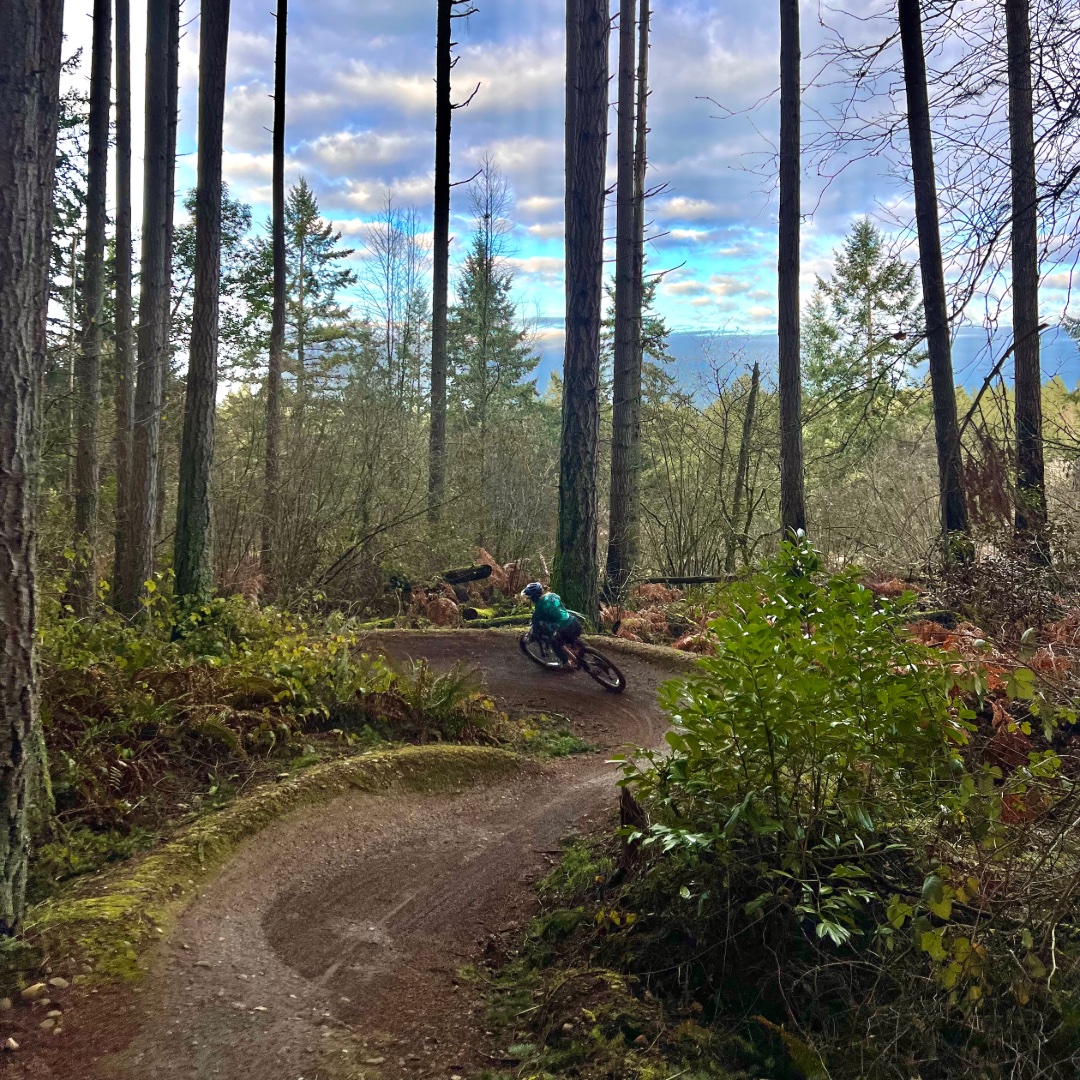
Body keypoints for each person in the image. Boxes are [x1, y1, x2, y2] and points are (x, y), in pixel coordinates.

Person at [522, 582, 582, 664]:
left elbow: (535, 631)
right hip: (575, 622)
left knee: (554, 643)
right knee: (569, 638)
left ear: (533, 598)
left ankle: (567, 663)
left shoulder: (538, 611)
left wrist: (529, 639)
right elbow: (558, 598)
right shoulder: (551, 595)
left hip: (565, 628)